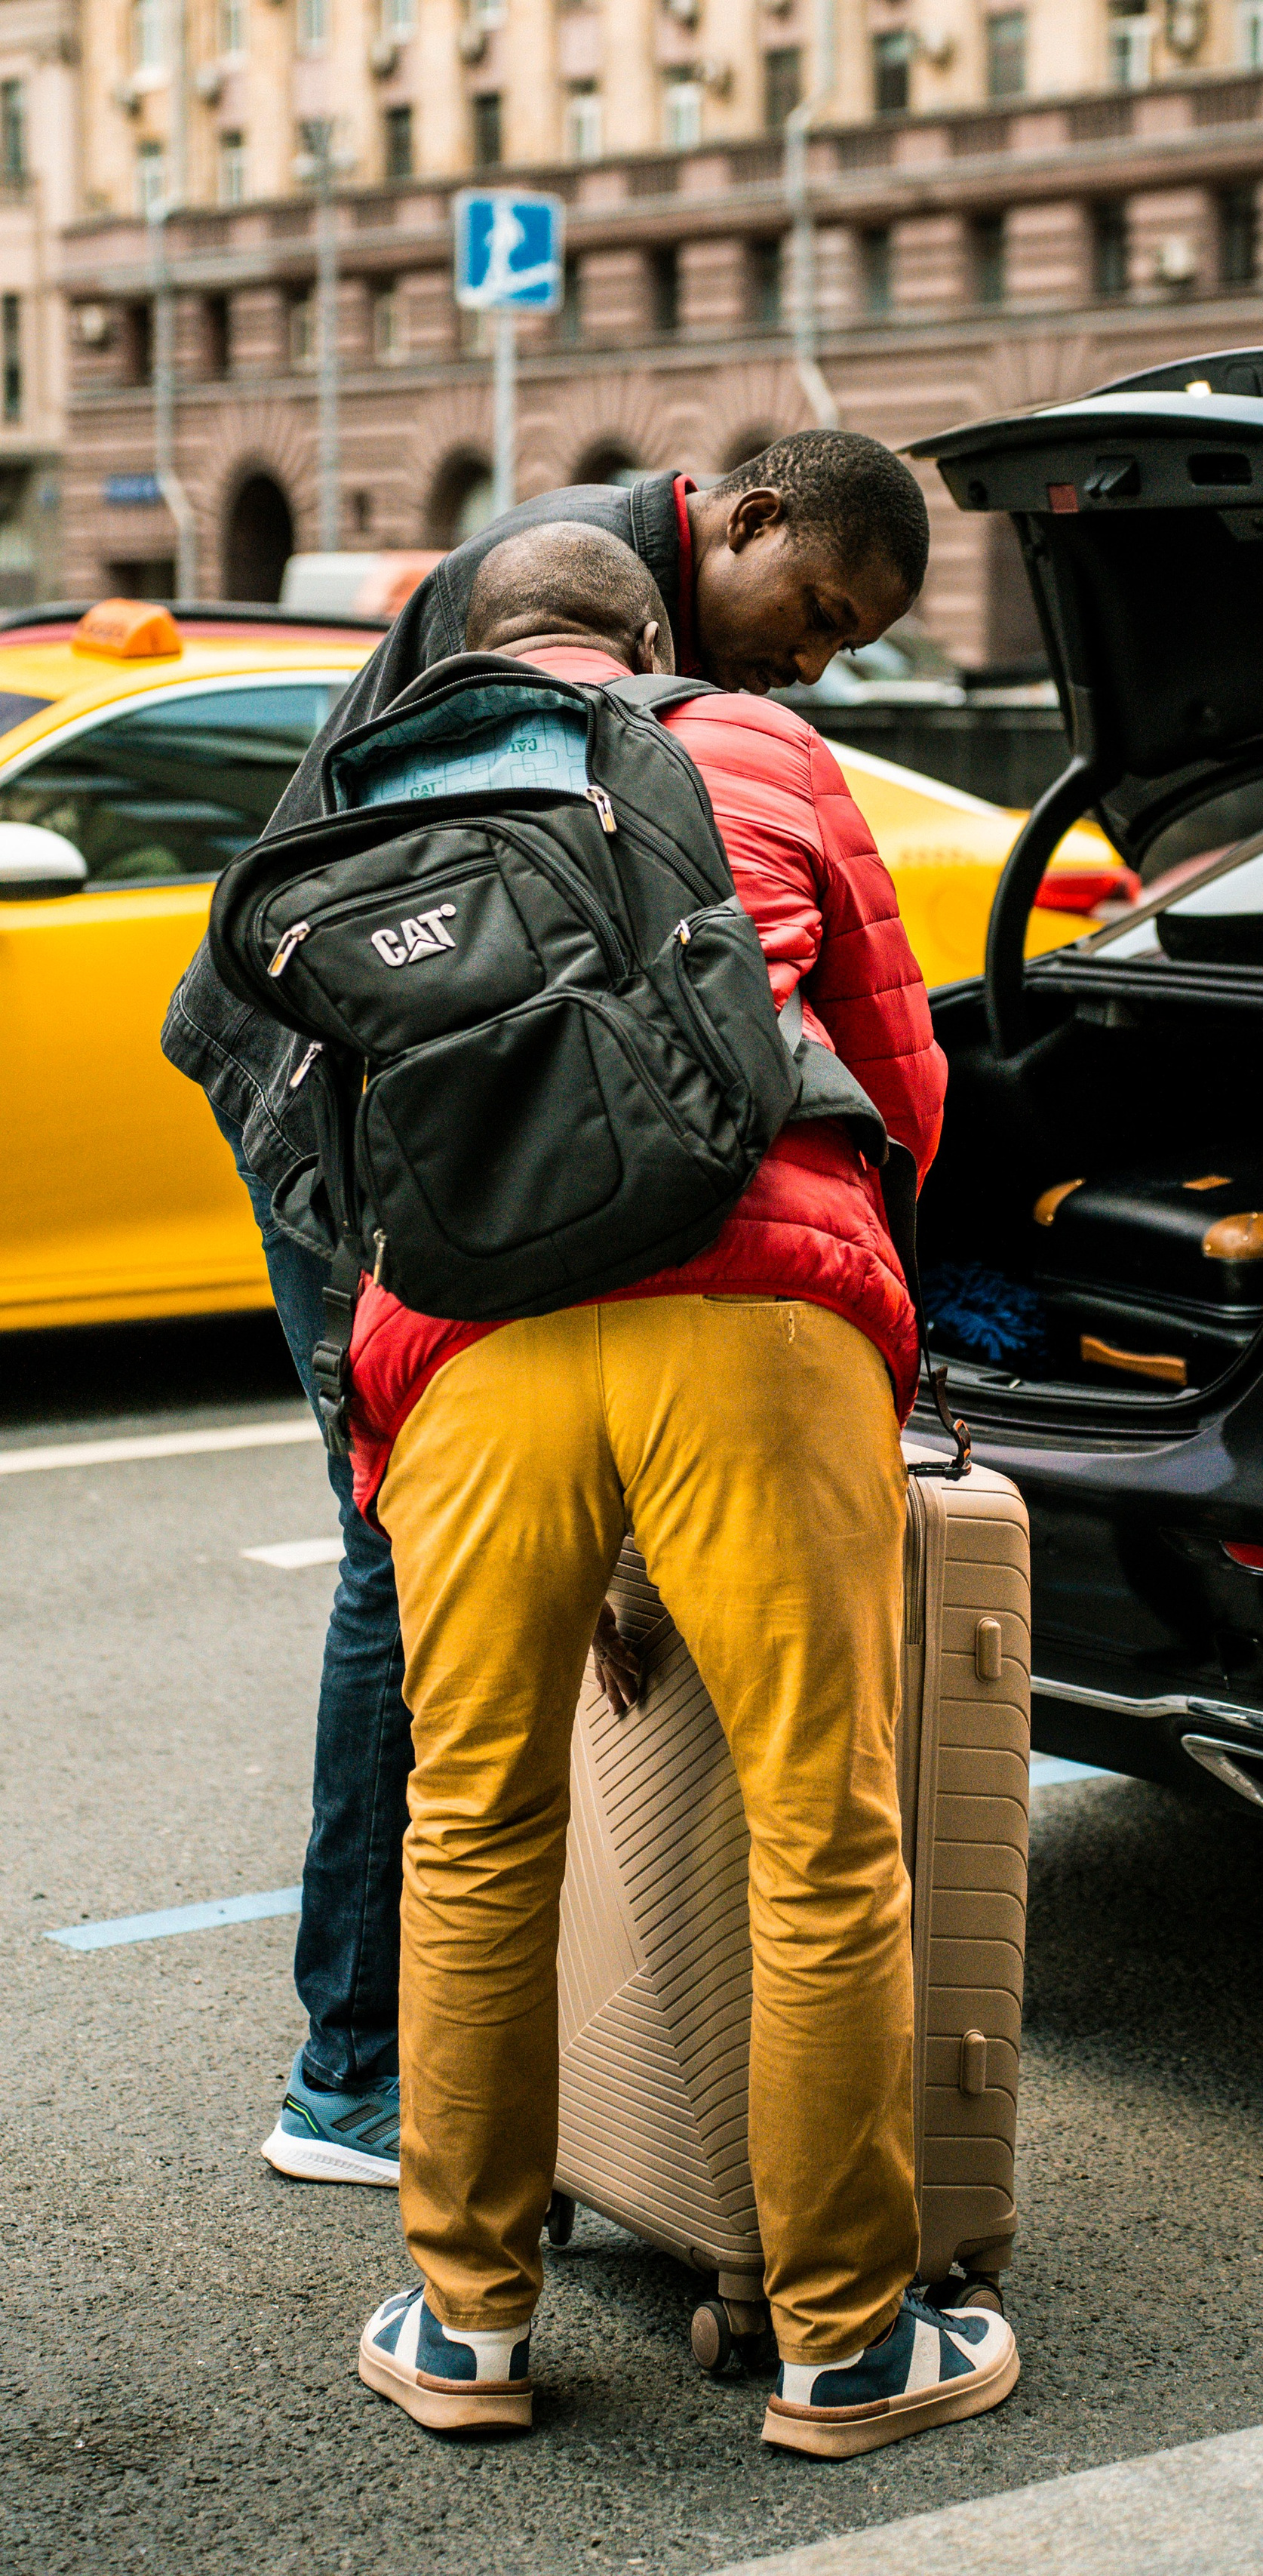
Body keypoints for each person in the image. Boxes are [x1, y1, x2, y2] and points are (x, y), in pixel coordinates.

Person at [158, 432, 929, 2184]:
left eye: (838, 646)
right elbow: (468, 942)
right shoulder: (565, 600)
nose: (808, 661)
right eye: (811, 610)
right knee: (393, 1555)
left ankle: (450, 2173)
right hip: (353, 1107)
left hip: (414, 1092)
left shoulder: (635, 630)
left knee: (447, 1612)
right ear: (740, 520)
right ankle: (351, 2074)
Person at [340, 520, 1016, 2454]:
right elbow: (898, 1069)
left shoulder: (396, 768)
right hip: (751, 1300)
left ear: (477, 647)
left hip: (470, 1332)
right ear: (658, 635)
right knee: (822, 1835)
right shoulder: (762, 752)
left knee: (471, 1825)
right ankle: (841, 2340)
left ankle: (464, 2323)